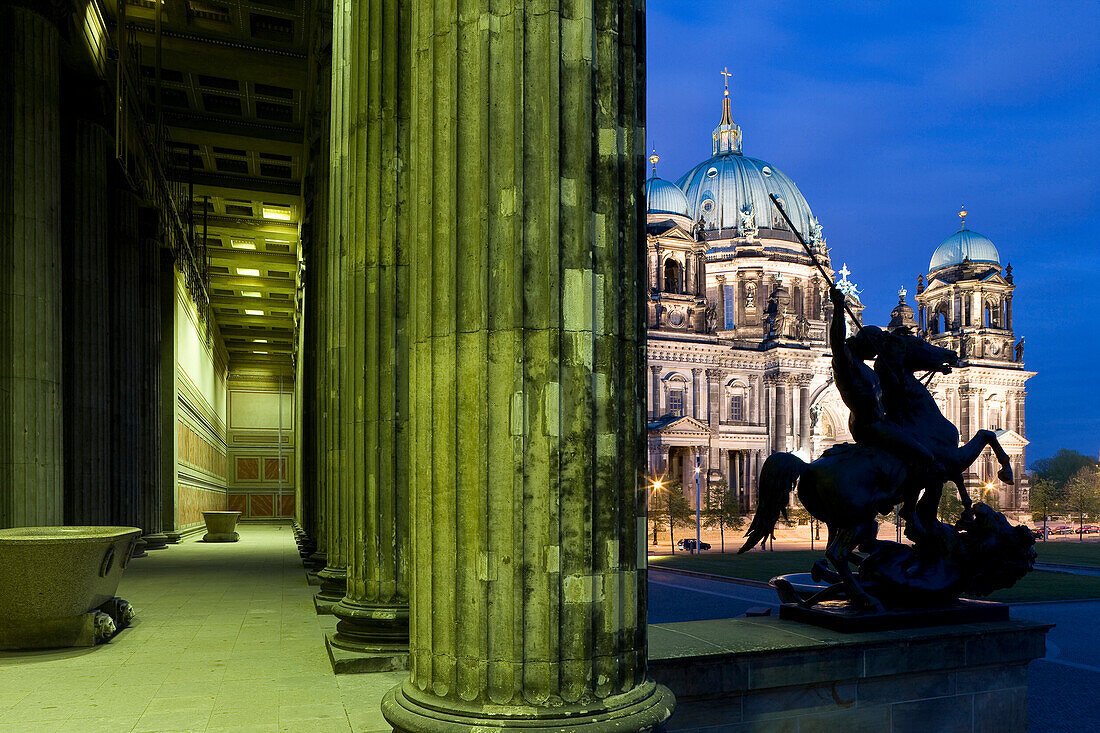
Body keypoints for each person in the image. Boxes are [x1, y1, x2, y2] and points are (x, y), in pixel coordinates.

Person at [829, 287, 945, 510]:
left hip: (878, 421)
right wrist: (837, 309)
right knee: (926, 456)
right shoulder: (847, 364)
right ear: (863, 342)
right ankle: (899, 503)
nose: (876, 350)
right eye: (874, 344)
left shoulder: (868, 369)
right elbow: (836, 341)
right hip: (872, 426)